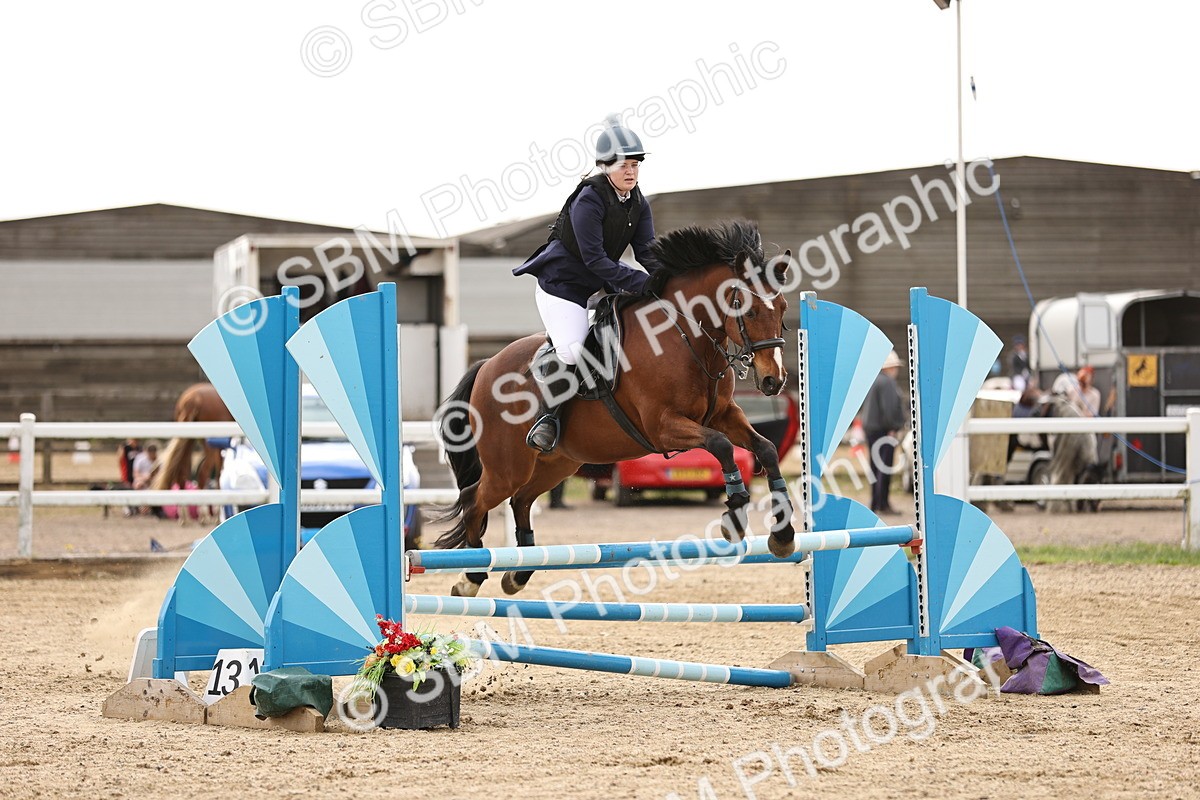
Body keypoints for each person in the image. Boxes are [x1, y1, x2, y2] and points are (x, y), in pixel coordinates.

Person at [512, 114, 662, 453]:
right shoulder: (588, 200)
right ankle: (547, 419)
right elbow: (595, 259)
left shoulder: (638, 203)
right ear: (606, 165)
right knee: (574, 350)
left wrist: (667, 280)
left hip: (595, 290)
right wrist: (642, 283)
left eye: (636, 164)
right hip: (561, 289)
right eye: (624, 164)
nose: (631, 171)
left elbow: (648, 253)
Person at [861, 351, 906, 515]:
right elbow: (889, 409)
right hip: (883, 430)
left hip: (872, 429)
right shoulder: (887, 383)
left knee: (875, 467)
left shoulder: (875, 380)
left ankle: (875, 502)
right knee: (884, 468)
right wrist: (893, 427)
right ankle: (883, 503)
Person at [132, 443, 162, 517]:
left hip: (155, 481)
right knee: (138, 485)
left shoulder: (160, 461)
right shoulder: (140, 459)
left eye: (153, 451)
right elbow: (136, 474)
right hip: (142, 480)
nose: (151, 453)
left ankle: (152, 508)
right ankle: (140, 506)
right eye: (150, 451)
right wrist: (144, 478)